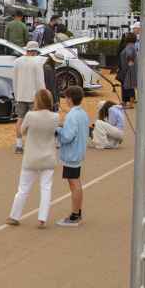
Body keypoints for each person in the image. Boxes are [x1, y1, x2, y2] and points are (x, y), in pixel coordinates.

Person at [8, 88, 60, 228]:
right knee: (46, 188)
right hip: (48, 157)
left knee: (23, 188)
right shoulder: (55, 116)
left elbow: (22, 131)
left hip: (31, 157)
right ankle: (42, 218)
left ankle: (14, 216)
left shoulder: (30, 115)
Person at [55, 86, 89, 225]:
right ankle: (77, 212)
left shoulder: (72, 115)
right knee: (76, 183)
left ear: (70, 98)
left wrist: (57, 130)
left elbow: (68, 136)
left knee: (74, 183)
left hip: (71, 154)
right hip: (78, 151)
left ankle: (75, 215)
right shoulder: (82, 114)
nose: (65, 100)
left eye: (66, 98)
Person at [11, 41, 47, 152]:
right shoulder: (37, 62)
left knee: (20, 119)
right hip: (33, 96)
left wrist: (16, 94)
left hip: (20, 95)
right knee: (35, 121)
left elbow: (14, 79)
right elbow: (40, 81)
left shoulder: (17, 62)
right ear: (35, 51)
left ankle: (19, 145)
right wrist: (43, 94)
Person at [118, 32, 138, 107]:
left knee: (128, 86)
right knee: (127, 86)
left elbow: (129, 56)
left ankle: (130, 103)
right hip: (129, 69)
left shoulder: (129, 46)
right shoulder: (132, 46)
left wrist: (129, 67)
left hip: (127, 70)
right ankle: (126, 102)